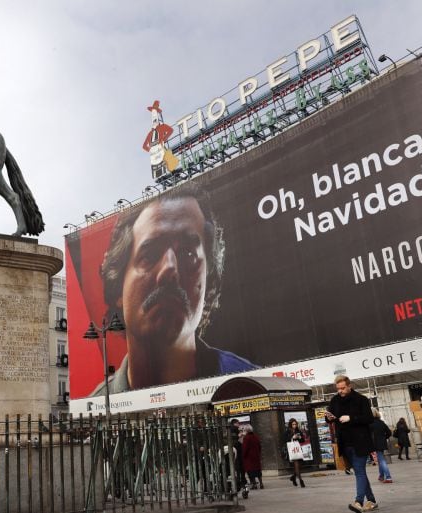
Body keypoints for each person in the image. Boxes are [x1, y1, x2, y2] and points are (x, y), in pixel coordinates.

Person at [89, 187, 259, 396]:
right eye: (150, 255)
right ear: (118, 287)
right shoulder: (96, 406)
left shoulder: (251, 386)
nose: (170, 269)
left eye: (188, 254)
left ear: (209, 281)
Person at [325, 375, 378, 512]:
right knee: (360, 472)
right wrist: (329, 418)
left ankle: (358, 501)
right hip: (344, 442)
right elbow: (330, 417)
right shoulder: (335, 400)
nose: (340, 391)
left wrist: (351, 418)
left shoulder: (361, 400)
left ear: (349, 386)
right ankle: (371, 500)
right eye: (338, 389)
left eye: (343, 388)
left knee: (359, 472)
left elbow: (368, 418)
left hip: (360, 441)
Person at [369, 408, 392, 483]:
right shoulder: (381, 422)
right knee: (380, 459)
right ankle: (381, 476)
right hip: (382, 443)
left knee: (381, 460)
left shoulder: (369, 423)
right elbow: (389, 433)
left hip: (374, 444)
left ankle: (388, 477)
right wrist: (383, 438)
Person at [282, 418, 306, 488]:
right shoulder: (287, 431)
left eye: (295, 424)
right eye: (293, 424)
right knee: (296, 465)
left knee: (299, 465)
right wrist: (292, 437)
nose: (294, 425)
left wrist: (299, 437)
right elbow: (284, 440)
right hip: (291, 450)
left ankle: (293, 477)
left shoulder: (298, 431)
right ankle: (301, 480)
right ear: (290, 425)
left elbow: (303, 440)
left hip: (298, 449)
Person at [241, 424, 263, 490]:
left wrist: (243, 455)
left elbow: (245, 448)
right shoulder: (256, 437)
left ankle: (254, 485)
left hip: (249, 458)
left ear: (246, 430)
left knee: (250, 472)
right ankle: (261, 483)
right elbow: (259, 446)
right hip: (256, 456)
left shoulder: (246, 438)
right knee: (258, 471)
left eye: (244, 430)